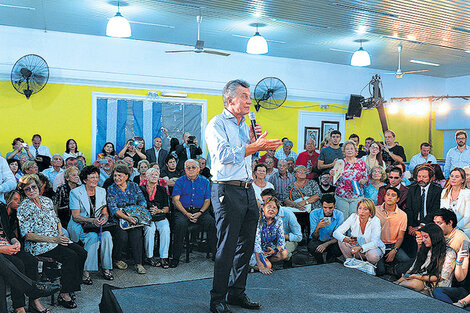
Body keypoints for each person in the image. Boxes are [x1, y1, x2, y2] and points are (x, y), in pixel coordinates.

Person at [205, 79, 281, 313]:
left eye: (249, 96)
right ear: (230, 100)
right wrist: (255, 146)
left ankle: (236, 293)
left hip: (248, 189)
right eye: (245, 96)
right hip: (226, 190)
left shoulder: (244, 125)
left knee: (246, 246)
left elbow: (246, 157)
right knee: (226, 247)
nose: (250, 101)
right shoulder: (216, 124)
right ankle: (216, 299)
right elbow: (225, 155)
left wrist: (257, 143)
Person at [17, 174, 87, 309]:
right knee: (70, 256)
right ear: (23, 192)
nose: (31, 190)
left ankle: (71, 286)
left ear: (39, 187)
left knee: (82, 252)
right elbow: (27, 235)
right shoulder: (23, 207)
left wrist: (61, 236)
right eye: (27, 189)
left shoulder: (46, 201)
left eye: (33, 187)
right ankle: (64, 294)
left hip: (56, 238)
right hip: (39, 244)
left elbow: (56, 220)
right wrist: (54, 239)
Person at [0, 191, 53, 313]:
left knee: (31, 261)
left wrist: (15, 241)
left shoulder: (1, 208)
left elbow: (8, 231)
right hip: (2, 250)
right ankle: (20, 306)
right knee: (18, 264)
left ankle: (34, 301)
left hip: (6, 245)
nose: (18, 201)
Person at [68, 166, 114, 282]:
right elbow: (76, 216)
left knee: (107, 236)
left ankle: (106, 268)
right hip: (80, 225)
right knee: (93, 237)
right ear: (84, 180)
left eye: (97, 177)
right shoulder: (75, 192)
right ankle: (86, 271)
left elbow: (104, 212)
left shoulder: (102, 191)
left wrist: (104, 218)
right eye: (92, 177)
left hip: (96, 225)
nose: (95, 179)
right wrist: (91, 220)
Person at [171, 159, 216, 268]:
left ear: (198, 169)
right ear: (185, 169)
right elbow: (175, 200)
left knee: (212, 223)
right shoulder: (180, 181)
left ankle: (216, 253)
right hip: (183, 211)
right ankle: (175, 257)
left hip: (200, 211)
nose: (190, 169)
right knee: (180, 225)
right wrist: (186, 214)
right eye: (188, 167)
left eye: (193, 167)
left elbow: (207, 201)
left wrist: (200, 213)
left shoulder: (205, 181)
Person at [107, 164, 147, 274]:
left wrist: (138, 212)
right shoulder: (111, 189)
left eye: (119, 175)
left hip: (134, 217)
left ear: (126, 176)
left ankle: (139, 263)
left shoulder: (134, 186)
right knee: (123, 236)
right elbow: (113, 209)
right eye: (115, 176)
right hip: (119, 219)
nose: (116, 178)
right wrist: (127, 218)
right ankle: (118, 259)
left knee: (136, 235)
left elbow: (142, 201)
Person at [395, 223, 456, 294]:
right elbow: (413, 268)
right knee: (401, 284)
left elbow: (441, 277)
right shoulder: (425, 248)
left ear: (434, 237)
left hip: (436, 285)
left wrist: (419, 277)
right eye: (422, 237)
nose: (423, 240)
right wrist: (399, 281)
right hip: (420, 278)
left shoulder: (449, 253)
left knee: (410, 284)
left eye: (426, 237)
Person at [404, 164, 443, 256]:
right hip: (413, 223)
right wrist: (411, 226)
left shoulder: (437, 190)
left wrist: (421, 226)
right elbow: (409, 209)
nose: (421, 179)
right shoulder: (412, 189)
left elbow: (434, 211)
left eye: (424, 177)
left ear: (431, 178)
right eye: (419, 176)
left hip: (429, 223)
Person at [333, 198, 385, 265]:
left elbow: (375, 242)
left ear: (370, 212)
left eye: (365, 209)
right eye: (360, 208)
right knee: (341, 240)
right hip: (356, 247)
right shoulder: (353, 217)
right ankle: (349, 261)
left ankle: (370, 265)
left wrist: (361, 247)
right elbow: (336, 233)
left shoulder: (375, 220)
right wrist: (347, 239)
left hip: (371, 249)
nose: (361, 211)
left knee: (373, 256)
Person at [375, 187, 411, 276]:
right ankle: (383, 266)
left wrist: (394, 250)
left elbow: (400, 236)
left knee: (407, 261)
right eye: (387, 195)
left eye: (393, 195)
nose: (390, 197)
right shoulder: (375, 210)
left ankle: (392, 269)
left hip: (392, 245)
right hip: (377, 245)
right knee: (380, 271)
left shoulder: (402, 215)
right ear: (384, 197)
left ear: (398, 199)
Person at [260, 189, 301, 266]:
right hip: (266, 241)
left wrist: (278, 236)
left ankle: (265, 264)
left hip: (287, 240)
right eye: (264, 202)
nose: (267, 205)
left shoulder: (287, 213)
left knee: (282, 254)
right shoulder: (261, 212)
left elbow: (298, 236)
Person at [140, 168, 171, 269]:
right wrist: (147, 211)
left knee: (165, 228)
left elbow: (166, 208)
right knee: (150, 229)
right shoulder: (141, 189)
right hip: (147, 216)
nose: (154, 176)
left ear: (158, 177)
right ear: (147, 177)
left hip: (159, 215)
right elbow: (139, 205)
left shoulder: (162, 190)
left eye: (156, 175)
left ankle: (164, 257)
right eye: (151, 174)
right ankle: (150, 257)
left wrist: (159, 211)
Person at [250, 196, 287, 275]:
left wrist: (275, 250)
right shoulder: (258, 220)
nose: (271, 209)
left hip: (266, 249)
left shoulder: (278, 220)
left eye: (274, 208)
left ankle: (264, 261)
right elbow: (256, 244)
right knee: (267, 266)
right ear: (263, 208)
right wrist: (261, 266)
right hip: (252, 250)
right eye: (269, 206)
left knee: (284, 254)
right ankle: (247, 265)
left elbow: (281, 240)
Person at [330, 140, 368, 218]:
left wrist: (363, 181)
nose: (349, 151)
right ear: (344, 151)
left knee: (355, 219)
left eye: (351, 148)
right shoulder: (340, 163)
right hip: (342, 196)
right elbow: (333, 182)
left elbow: (366, 177)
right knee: (343, 219)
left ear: (355, 150)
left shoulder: (361, 162)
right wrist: (331, 175)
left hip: (356, 196)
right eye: (347, 149)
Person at [308, 194, 344, 264]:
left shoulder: (339, 215)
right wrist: (318, 227)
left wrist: (326, 244)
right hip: (318, 240)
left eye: (330, 208)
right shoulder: (314, 213)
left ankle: (330, 259)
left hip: (332, 241)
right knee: (312, 246)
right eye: (325, 208)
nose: (328, 210)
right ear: (322, 206)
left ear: (334, 206)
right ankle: (319, 261)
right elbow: (314, 236)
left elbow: (339, 236)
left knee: (339, 247)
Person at [441, 167, 470, 236]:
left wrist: (454, 228)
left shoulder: (467, 193)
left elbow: (467, 216)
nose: (453, 178)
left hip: (464, 230)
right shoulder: (444, 192)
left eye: (457, 177)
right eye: (452, 176)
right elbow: (442, 211)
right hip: (447, 229)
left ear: (463, 180)